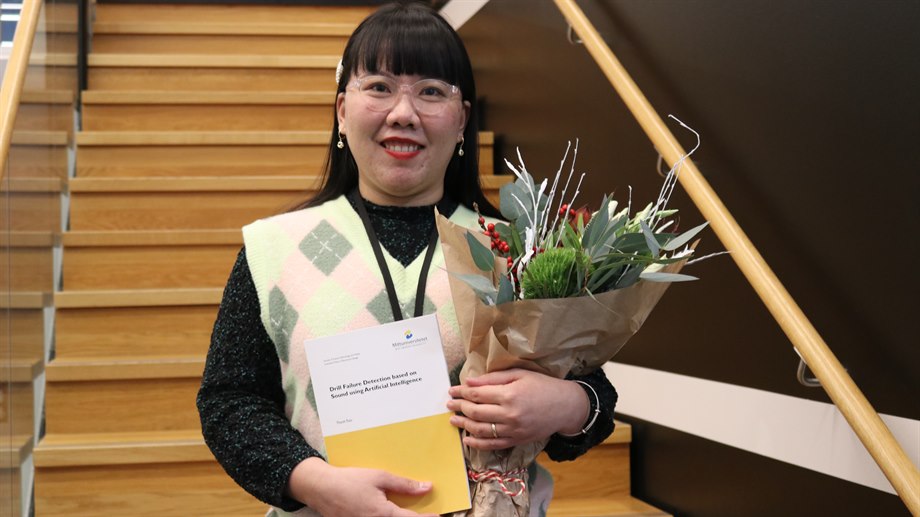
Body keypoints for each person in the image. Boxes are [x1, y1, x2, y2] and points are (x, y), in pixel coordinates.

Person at [196, 3, 617, 516]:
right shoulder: (275, 249)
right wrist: (316, 483)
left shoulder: (515, 250)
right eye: (379, 87)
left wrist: (569, 406)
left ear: (462, 121)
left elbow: (593, 392)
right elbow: (230, 401)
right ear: (342, 110)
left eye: (431, 92)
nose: (403, 112)